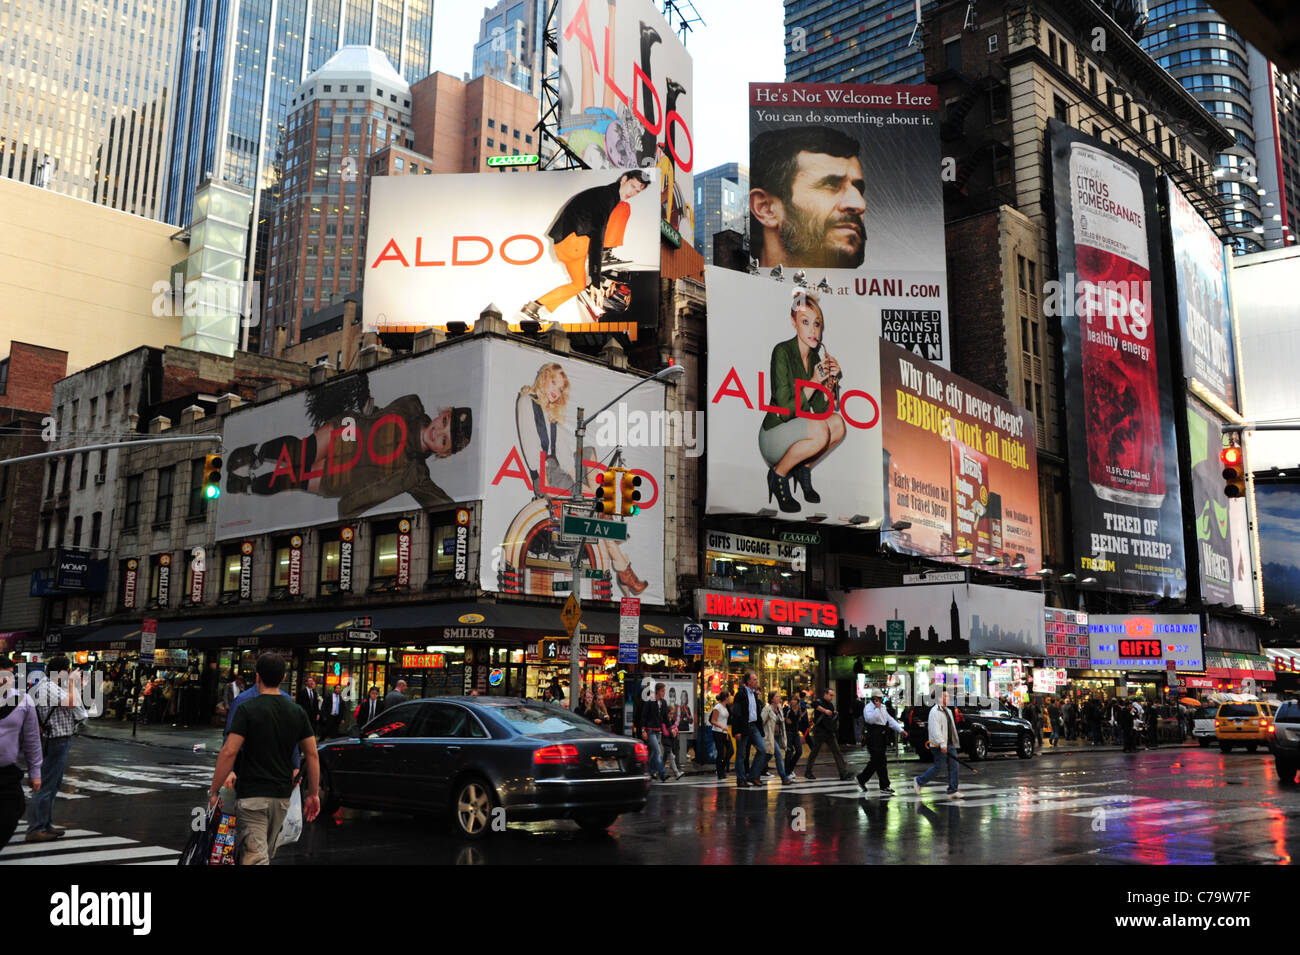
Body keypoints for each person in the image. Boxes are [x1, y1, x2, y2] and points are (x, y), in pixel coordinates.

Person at [224, 374, 472, 521]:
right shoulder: (412, 405)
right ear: (443, 413)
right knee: (303, 452)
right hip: (349, 432)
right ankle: (258, 454)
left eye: (444, 440)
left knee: (293, 476)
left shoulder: (416, 475)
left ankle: (247, 485)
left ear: (444, 452)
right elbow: (382, 416)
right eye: (445, 422)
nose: (438, 431)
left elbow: (445, 508)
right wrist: (369, 408)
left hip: (344, 476)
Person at [515, 362, 648, 595]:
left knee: (589, 453)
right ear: (544, 377)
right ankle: (625, 570)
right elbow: (531, 446)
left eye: (561, 386)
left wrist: (578, 478)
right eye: (553, 381)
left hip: (557, 469)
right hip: (546, 474)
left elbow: (566, 456)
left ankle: (620, 561)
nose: (556, 389)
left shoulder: (551, 414)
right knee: (598, 512)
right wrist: (546, 472)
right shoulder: (527, 401)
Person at [208, 653, 320, 865]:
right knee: (263, 852)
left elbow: (229, 751)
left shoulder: (247, 709)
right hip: (281, 796)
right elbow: (312, 754)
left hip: (253, 794)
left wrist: (214, 790)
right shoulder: (296, 711)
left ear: (257, 677)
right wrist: (313, 793)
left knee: (255, 856)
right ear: (284, 677)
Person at [518, 170, 652, 322]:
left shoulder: (604, 194)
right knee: (624, 207)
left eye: (637, 191)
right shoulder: (606, 197)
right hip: (575, 242)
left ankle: (533, 308)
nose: (633, 192)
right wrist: (595, 278)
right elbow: (597, 236)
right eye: (632, 186)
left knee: (578, 285)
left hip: (566, 246)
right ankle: (606, 254)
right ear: (623, 179)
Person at [758, 290, 845, 513]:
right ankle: (778, 475)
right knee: (819, 430)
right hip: (774, 433)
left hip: (800, 433)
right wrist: (815, 380)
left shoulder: (816, 358)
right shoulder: (782, 352)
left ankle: (803, 468)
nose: (812, 330)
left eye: (816, 324)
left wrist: (830, 383)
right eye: (805, 322)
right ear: (794, 322)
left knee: (837, 425)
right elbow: (786, 408)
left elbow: (822, 411)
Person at [749, 125, 867, 270]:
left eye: (859, 189)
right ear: (766, 208)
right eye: (831, 186)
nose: (859, 204)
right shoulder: (731, 289)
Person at [28, 656, 86, 842]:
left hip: (55, 738)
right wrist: (71, 684)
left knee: (52, 785)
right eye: (68, 671)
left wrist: (75, 687)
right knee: (46, 785)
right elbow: (72, 704)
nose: (70, 673)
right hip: (56, 739)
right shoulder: (48, 688)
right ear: (61, 672)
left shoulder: (48, 687)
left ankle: (45, 825)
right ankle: (36, 828)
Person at [0, 655, 42, 849]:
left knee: (9, 817)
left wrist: (35, 772)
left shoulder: (23, 700)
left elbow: (32, 740)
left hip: (6, 773)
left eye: (7, 675)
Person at [857, 689, 907, 796]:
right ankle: (863, 779)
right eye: (878, 698)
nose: (880, 700)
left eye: (881, 698)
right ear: (874, 698)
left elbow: (890, 720)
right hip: (872, 735)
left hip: (881, 735)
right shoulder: (868, 708)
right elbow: (870, 720)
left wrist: (900, 730)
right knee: (876, 760)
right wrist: (877, 709)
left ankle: (883, 785)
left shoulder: (883, 707)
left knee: (881, 761)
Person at [914, 689, 961, 798]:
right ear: (939, 698)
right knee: (939, 767)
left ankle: (953, 790)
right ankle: (919, 781)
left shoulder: (948, 711)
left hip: (949, 744)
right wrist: (942, 744)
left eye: (948, 696)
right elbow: (935, 730)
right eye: (946, 696)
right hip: (938, 745)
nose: (948, 698)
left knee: (954, 766)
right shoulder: (934, 712)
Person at [805, 686, 851, 780]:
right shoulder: (819, 702)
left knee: (837, 751)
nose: (831, 697)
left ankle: (843, 773)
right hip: (820, 731)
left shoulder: (830, 705)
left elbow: (830, 717)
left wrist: (833, 714)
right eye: (830, 695)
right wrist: (825, 711)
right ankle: (808, 772)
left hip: (829, 732)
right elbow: (813, 704)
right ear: (825, 694)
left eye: (833, 696)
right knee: (815, 752)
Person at [732, 671, 766, 787]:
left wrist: (760, 728)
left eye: (756, 679)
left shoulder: (754, 694)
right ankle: (741, 779)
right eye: (754, 679)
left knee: (762, 749)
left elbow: (756, 711)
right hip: (743, 727)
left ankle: (753, 775)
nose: (756, 681)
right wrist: (736, 731)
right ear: (749, 681)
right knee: (741, 754)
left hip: (753, 725)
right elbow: (736, 713)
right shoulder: (740, 694)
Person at [756, 691, 796, 784]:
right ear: (772, 699)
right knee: (779, 755)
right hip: (770, 736)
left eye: (779, 696)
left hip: (778, 736)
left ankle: (754, 774)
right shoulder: (767, 709)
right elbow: (761, 722)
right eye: (777, 696)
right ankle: (784, 777)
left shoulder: (779, 708)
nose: (779, 698)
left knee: (767, 756)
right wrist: (762, 735)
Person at [636, 682, 669, 782]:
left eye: (664, 691)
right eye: (663, 691)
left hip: (658, 730)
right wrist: (643, 730)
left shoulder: (663, 702)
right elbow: (644, 717)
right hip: (650, 730)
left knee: (652, 753)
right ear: (658, 691)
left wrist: (672, 728)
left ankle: (649, 771)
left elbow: (665, 718)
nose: (664, 693)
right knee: (658, 751)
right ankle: (662, 773)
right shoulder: (650, 701)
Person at [710, 692, 733, 781]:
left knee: (730, 750)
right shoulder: (717, 707)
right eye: (729, 696)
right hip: (717, 732)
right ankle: (720, 773)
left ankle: (721, 768)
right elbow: (713, 720)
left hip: (725, 732)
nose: (730, 698)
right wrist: (721, 726)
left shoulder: (726, 707)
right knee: (720, 752)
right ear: (726, 698)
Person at [783, 691, 807, 775]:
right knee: (789, 752)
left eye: (794, 700)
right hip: (788, 732)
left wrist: (800, 717)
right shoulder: (787, 709)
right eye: (791, 700)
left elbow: (805, 711)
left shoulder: (801, 708)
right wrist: (785, 719)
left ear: (797, 701)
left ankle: (790, 769)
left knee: (799, 751)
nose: (792, 701)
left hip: (796, 732)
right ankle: (787, 771)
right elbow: (780, 716)